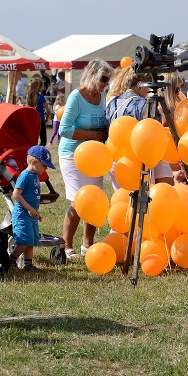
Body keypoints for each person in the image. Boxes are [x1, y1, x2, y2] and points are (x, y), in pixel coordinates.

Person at [58, 58, 112, 259]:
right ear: (92, 76)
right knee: (78, 200)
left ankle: (88, 244)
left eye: (108, 80)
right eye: (104, 79)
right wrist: (94, 135)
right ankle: (67, 245)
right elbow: (64, 129)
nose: (106, 84)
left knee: (94, 199)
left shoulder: (104, 94)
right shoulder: (76, 97)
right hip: (72, 155)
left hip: (95, 156)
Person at [105, 66, 174, 185]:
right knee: (146, 199)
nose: (148, 91)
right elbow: (156, 130)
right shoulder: (144, 104)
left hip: (117, 159)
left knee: (123, 200)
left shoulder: (112, 101)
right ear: (139, 84)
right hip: (139, 162)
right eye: (147, 87)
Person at [9, 146, 54, 271]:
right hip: (22, 214)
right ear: (34, 162)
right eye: (44, 166)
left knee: (32, 240)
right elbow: (16, 194)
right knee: (24, 240)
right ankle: (11, 260)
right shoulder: (25, 176)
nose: (45, 169)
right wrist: (29, 208)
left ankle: (28, 265)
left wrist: (35, 212)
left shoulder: (35, 175)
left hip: (31, 214)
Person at [26, 78, 48, 146]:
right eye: (42, 86)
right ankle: (39, 152)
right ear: (39, 87)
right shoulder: (40, 97)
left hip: (32, 120)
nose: (43, 87)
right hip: (40, 119)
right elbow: (47, 109)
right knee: (43, 139)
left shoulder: (29, 96)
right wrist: (47, 117)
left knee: (33, 138)